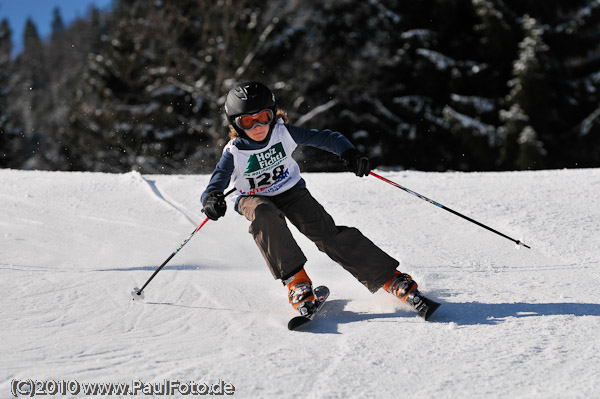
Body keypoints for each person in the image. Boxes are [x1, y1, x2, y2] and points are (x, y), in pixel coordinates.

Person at [201, 81, 420, 316]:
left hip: (291, 190)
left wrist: (349, 153)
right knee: (264, 215)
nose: (257, 126)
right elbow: (214, 185)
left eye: (263, 117)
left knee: (327, 234)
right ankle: (297, 282)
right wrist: (212, 199)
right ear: (235, 122)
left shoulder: (282, 133)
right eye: (247, 121)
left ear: (272, 115)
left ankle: (390, 278)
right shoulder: (234, 152)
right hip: (253, 197)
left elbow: (327, 138)